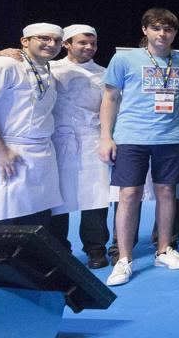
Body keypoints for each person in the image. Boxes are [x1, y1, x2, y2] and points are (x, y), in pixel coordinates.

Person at [99, 8, 179, 285]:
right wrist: (106, 137)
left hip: (170, 138)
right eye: (156, 28)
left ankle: (164, 249)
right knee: (129, 194)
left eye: (167, 29)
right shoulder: (124, 59)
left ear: (174, 33)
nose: (162, 34)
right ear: (145, 31)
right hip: (131, 136)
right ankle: (123, 258)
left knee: (167, 192)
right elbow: (109, 98)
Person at [0, 23, 65, 234]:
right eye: (44, 38)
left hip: (39, 157)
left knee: (36, 226)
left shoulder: (49, 70)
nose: (51, 44)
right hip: (2, 153)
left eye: (57, 40)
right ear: (25, 41)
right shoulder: (2, 65)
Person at [47, 25, 112, 269]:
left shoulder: (104, 73)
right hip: (57, 140)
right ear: (66, 44)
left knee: (95, 197)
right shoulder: (50, 68)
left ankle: (96, 249)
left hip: (91, 139)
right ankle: (57, 250)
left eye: (92, 44)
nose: (88, 48)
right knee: (56, 199)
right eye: (82, 43)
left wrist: (107, 137)